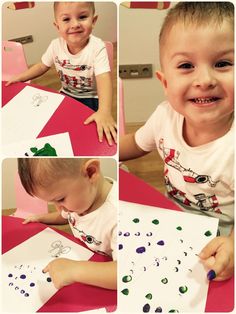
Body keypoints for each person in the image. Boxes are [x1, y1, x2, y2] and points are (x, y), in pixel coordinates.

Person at [120, 2, 234, 281]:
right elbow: (133, 145)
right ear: (165, 81)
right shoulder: (164, 116)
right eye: (186, 66)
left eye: (222, 63)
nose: (205, 79)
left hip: (222, 239)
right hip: (171, 222)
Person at [6, 2, 117, 146]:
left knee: (87, 136)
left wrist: (104, 111)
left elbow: (104, 78)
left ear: (93, 21)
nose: (75, 24)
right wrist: (21, 77)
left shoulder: (97, 47)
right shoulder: (55, 45)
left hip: (90, 99)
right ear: (57, 26)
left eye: (82, 17)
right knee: (56, 129)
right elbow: (41, 66)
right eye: (66, 19)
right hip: (65, 94)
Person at [18, 158, 117, 290]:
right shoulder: (81, 201)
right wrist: (42, 218)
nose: (60, 208)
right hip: (86, 255)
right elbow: (66, 216)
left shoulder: (116, 217)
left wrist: (74, 270)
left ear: (90, 172)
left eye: (60, 200)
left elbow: (125, 273)